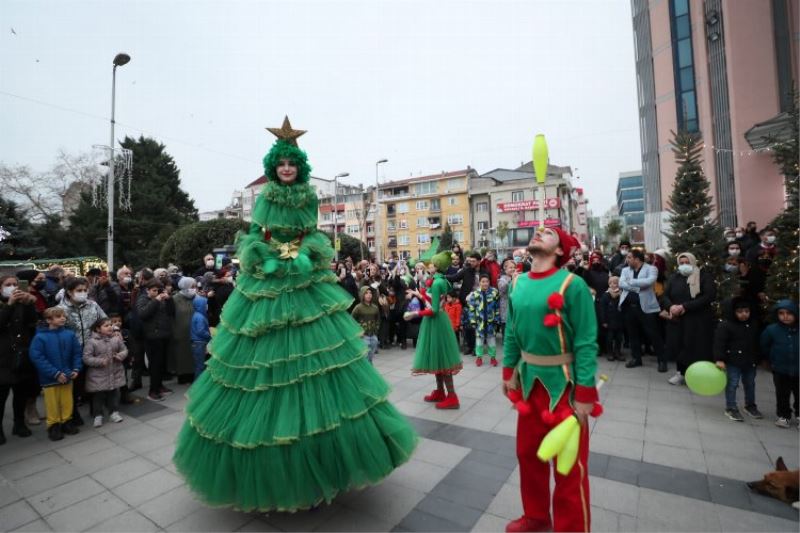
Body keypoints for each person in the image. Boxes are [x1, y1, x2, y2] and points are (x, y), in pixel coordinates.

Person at [172, 119, 417, 512]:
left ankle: (324, 470)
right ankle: (275, 476)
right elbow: (255, 233)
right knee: (260, 366)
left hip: (303, 279)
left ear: (299, 167)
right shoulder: (266, 196)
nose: (286, 167)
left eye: (291, 162)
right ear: (273, 166)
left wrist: (303, 253)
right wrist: (265, 254)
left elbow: (313, 233)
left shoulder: (307, 195)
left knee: (321, 368)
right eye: (281, 162)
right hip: (269, 283)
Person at [502, 227, 598, 533]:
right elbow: (512, 332)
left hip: (566, 388)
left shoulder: (574, 284)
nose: (539, 233)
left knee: (569, 467)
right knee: (528, 456)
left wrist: (585, 393)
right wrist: (508, 371)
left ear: (561, 251)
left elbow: (585, 341)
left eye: (548, 232)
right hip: (530, 385)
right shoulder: (518, 282)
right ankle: (536, 516)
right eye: (538, 231)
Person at [411, 251, 463, 409]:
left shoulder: (437, 283)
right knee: (438, 357)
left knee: (441, 357)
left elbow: (433, 309)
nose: (429, 266)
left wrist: (414, 313)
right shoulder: (439, 280)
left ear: (437, 266)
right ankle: (441, 391)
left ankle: (452, 396)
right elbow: (431, 300)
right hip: (438, 321)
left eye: (432, 264)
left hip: (436, 321)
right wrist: (419, 289)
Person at [28, 307, 83, 441]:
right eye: (58, 316)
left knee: (67, 400)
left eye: (63, 316)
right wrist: (55, 373)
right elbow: (37, 357)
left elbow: (77, 353)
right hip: (50, 378)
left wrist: (76, 369)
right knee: (52, 403)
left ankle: (66, 421)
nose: (63, 318)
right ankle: (53, 425)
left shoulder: (69, 334)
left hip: (68, 375)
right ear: (48, 320)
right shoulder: (40, 337)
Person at [58, 277, 107, 425]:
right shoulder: (61, 309)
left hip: (93, 350)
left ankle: (96, 409)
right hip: (73, 353)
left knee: (94, 381)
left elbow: (104, 320)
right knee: (76, 385)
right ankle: (73, 413)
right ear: (69, 292)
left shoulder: (93, 305)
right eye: (79, 290)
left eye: (85, 290)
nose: (83, 293)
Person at [662, 252, 717, 385]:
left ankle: (698, 375)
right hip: (678, 320)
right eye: (681, 263)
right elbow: (665, 296)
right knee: (680, 346)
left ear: (693, 262)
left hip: (698, 319)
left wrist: (684, 306)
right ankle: (681, 373)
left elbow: (708, 296)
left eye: (687, 262)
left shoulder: (703, 276)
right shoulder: (674, 277)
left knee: (698, 348)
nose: (684, 265)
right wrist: (671, 307)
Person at [0, 275, 39, 444]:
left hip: (22, 355)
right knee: (1, 396)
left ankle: (19, 423)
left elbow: (32, 323)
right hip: (3, 358)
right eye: (8, 285)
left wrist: (30, 303)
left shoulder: (22, 303)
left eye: (15, 284)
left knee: (21, 394)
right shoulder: (5, 305)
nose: (13, 287)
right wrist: (8, 306)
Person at [713, 298, 761, 422]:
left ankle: (750, 405)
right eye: (740, 311)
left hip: (750, 360)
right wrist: (720, 359)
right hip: (732, 361)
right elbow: (719, 343)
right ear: (733, 312)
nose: (744, 314)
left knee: (750, 383)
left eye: (746, 311)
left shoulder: (753, 324)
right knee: (732, 384)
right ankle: (731, 407)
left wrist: (758, 356)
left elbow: (756, 342)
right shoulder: (725, 325)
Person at [619, 249, 667, 372]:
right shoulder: (625, 270)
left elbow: (649, 282)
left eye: (629, 257)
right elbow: (621, 284)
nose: (627, 260)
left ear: (637, 259)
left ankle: (662, 360)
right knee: (632, 334)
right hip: (629, 307)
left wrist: (631, 283)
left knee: (653, 334)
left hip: (646, 308)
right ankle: (636, 359)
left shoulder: (651, 269)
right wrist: (637, 287)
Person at [760, 300, 798, 428]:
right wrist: (769, 360)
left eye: (789, 313)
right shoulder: (772, 330)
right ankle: (784, 415)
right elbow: (764, 345)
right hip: (780, 369)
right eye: (781, 313)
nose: (785, 316)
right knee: (782, 393)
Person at [83, 317, 127, 427]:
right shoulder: (92, 342)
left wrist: (120, 356)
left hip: (114, 371)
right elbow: (86, 358)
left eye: (110, 325)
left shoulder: (116, 339)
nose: (110, 327)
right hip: (98, 376)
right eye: (106, 326)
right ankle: (98, 415)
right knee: (98, 395)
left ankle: (114, 412)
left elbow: (124, 350)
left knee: (114, 393)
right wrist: (99, 361)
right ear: (98, 329)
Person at [136, 279, 173, 402]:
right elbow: (143, 314)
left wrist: (169, 299)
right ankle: (152, 391)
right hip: (152, 336)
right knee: (155, 365)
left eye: (159, 290)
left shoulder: (162, 299)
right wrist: (156, 300)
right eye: (154, 291)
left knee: (161, 363)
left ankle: (159, 386)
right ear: (148, 290)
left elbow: (171, 312)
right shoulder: (143, 299)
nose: (157, 293)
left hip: (163, 335)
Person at [446, 252, 483, 355]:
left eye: (473, 261)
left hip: (480, 303)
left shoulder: (484, 271)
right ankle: (469, 347)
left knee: (477, 326)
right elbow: (454, 277)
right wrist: (442, 275)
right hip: (466, 302)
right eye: (470, 261)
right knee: (467, 326)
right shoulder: (466, 271)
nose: (471, 263)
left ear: (479, 261)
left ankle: (477, 348)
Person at [467, 273, 500, 367]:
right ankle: (479, 357)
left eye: (487, 281)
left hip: (491, 322)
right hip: (479, 322)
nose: (485, 283)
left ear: (489, 282)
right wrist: (473, 321)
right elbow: (472, 308)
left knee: (492, 341)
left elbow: (497, 307)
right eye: (483, 281)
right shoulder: (475, 294)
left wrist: (497, 319)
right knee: (479, 341)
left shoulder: (494, 292)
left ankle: (493, 358)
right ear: (479, 282)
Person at [171, 277, 197, 384]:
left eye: (195, 286)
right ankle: (182, 377)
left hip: (194, 332)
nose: (194, 289)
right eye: (192, 286)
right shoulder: (175, 299)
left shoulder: (195, 297)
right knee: (182, 355)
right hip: (180, 332)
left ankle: (192, 375)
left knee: (192, 355)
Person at [599, 276, 625, 361]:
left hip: (619, 320)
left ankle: (618, 352)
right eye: (611, 283)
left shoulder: (622, 294)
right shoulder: (606, 295)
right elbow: (602, 309)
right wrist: (603, 321)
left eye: (615, 283)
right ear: (609, 284)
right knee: (609, 338)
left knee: (619, 338)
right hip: (609, 321)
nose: (613, 285)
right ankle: (610, 353)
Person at [351, 286, 380, 364]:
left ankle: (370, 372)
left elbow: (378, 319)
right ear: (362, 295)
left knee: (370, 358)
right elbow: (351, 321)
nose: (369, 295)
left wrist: (376, 329)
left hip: (373, 336)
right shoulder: (358, 308)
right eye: (366, 293)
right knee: (364, 358)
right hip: (363, 337)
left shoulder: (375, 307)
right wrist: (358, 332)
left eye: (370, 293)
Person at [190, 296, 211, 379]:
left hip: (197, 343)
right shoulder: (200, 317)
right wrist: (210, 335)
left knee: (199, 365)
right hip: (199, 343)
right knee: (200, 366)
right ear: (201, 305)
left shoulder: (197, 315)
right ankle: (198, 386)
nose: (207, 306)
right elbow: (201, 331)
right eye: (206, 304)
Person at [497, 259, 516, 337]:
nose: (513, 269)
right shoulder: (502, 279)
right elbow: (502, 290)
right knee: (505, 328)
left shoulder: (517, 277)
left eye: (514, 267)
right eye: (510, 267)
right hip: (505, 306)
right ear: (505, 269)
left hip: (514, 305)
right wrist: (511, 280)